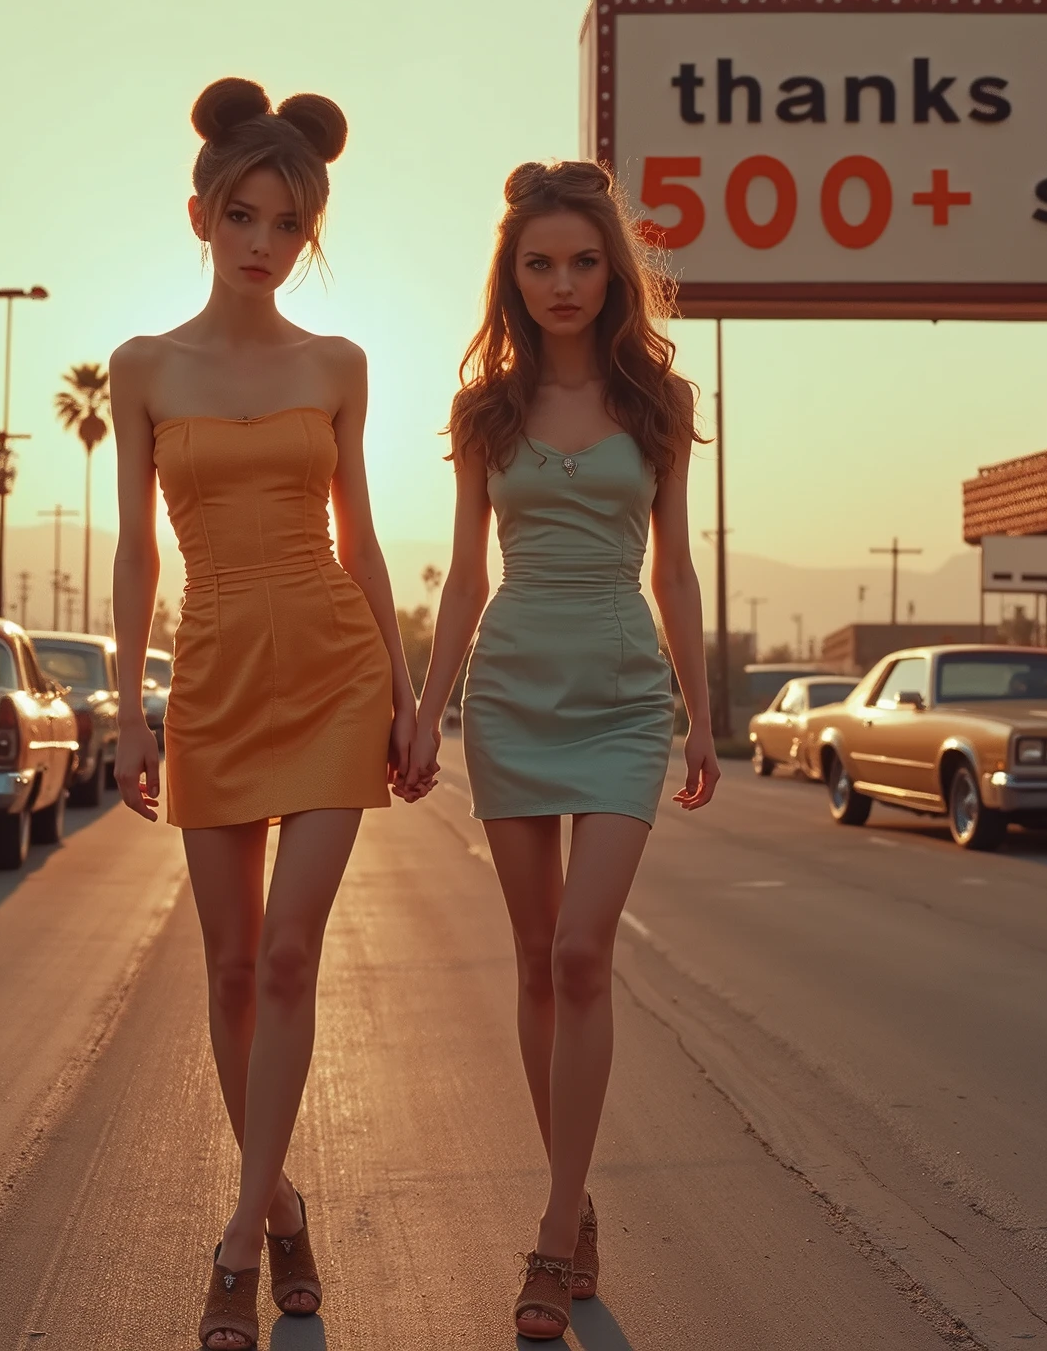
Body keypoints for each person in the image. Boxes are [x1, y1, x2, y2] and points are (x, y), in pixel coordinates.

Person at [109, 77, 420, 1351]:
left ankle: (238, 1235)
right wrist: (130, 702)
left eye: (285, 223)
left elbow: (361, 535)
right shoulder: (140, 367)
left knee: (288, 955)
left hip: (335, 666)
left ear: (310, 234)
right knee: (228, 965)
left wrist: (407, 694)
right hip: (216, 667)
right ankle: (283, 1200)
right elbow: (135, 548)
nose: (260, 241)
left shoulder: (336, 364)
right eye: (241, 214)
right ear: (200, 212)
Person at [401, 159, 721, 1340]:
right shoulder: (485, 412)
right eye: (538, 263)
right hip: (511, 696)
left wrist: (698, 710)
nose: (561, 282)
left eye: (583, 260)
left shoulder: (660, 405)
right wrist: (424, 713)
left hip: (625, 700)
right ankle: (571, 1200)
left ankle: (549, 1226)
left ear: (614, 269)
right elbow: (464, 578)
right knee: (535, 961)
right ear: (511, 274)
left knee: (582, 951)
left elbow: (676, 569)